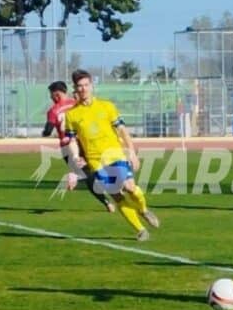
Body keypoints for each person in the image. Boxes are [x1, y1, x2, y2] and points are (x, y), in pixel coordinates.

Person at [62, 70, 160, 241]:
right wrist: (76, 155)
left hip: (115, 154)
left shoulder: (107, 106)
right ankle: (140, 230)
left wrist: (132, 152)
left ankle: (143, 210)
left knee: (129, 187)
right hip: (96, 161)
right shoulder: (72, 115)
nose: (83, 89)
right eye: (80, 86)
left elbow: (122, 130)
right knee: (116, 195)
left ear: (91, 86)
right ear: (75, 89)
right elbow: (71, 140)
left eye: (86, 85)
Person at [42, 80, 116, 213]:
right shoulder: (76, 104)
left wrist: (46, 132)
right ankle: (114, 190)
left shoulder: (53, 111)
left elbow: (47, 131)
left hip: (67, 147)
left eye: (51, 94)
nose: (50, 98)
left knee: (89, 177)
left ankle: (105, 202)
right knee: (98, 169)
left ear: (57, 94)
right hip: (84, 143)